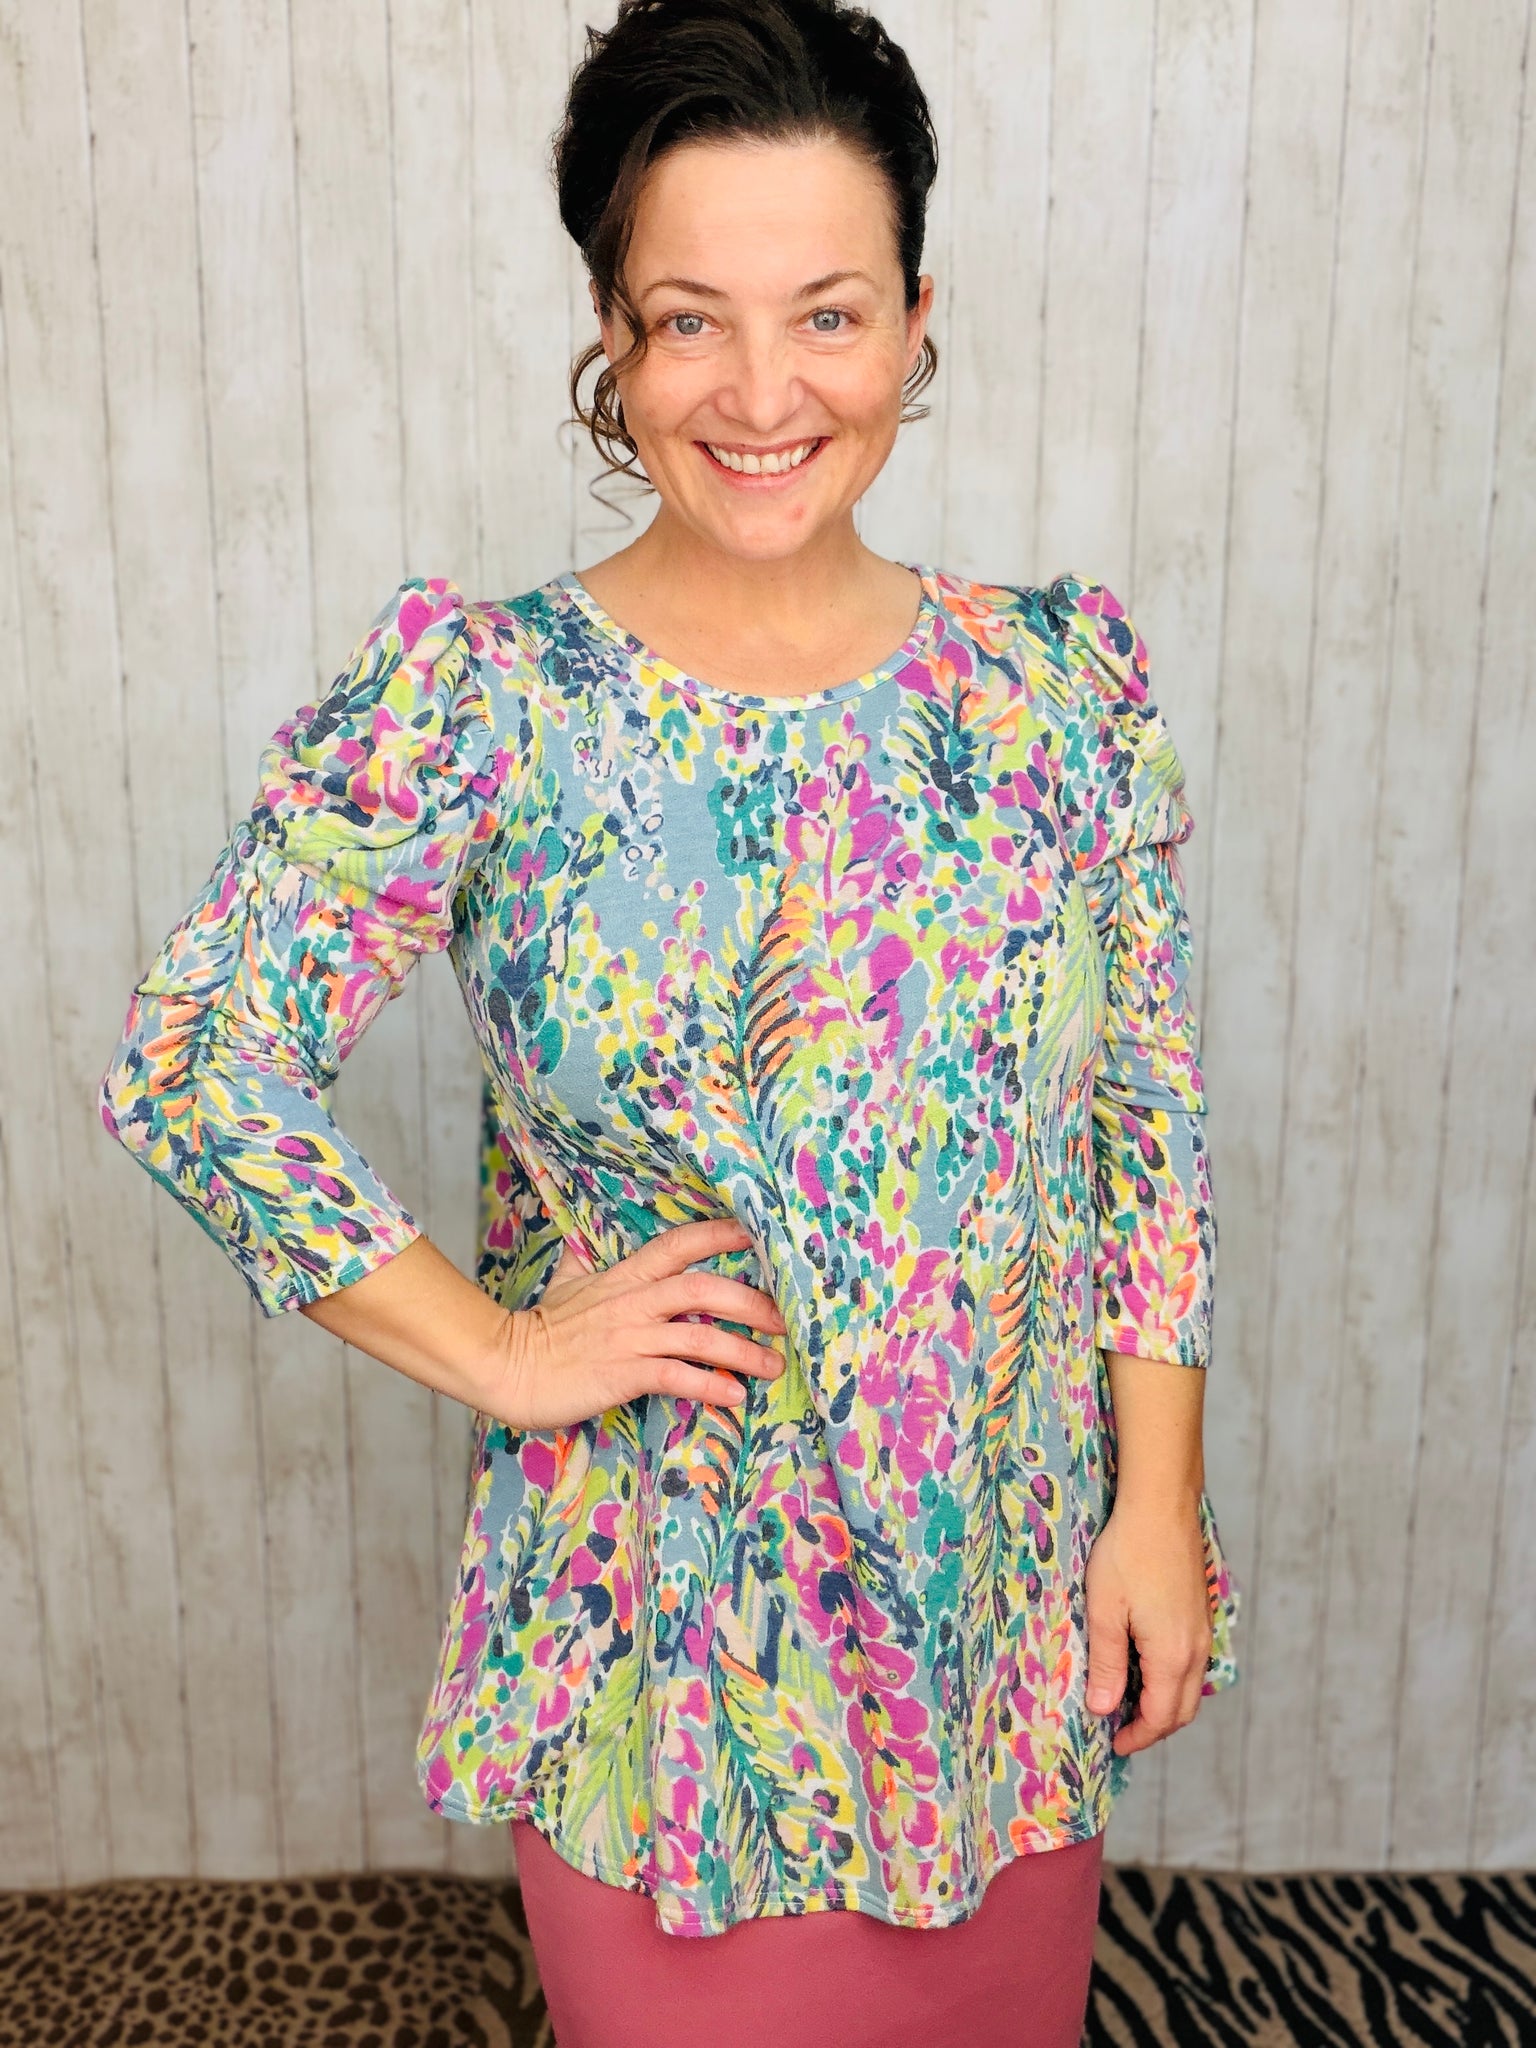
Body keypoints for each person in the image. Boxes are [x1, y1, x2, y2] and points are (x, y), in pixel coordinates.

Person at [99, 1, 1241, 2041]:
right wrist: (502, 1349)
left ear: (916, 321)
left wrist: (1156, 1506)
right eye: (690, 319)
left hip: (1004, 1619)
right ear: (611, 342)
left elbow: (1140, 1119)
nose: (764, 392)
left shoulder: (1058, 688)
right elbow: (195, 1059)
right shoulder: (489, 703)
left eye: (828, 315)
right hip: (672, 1653)